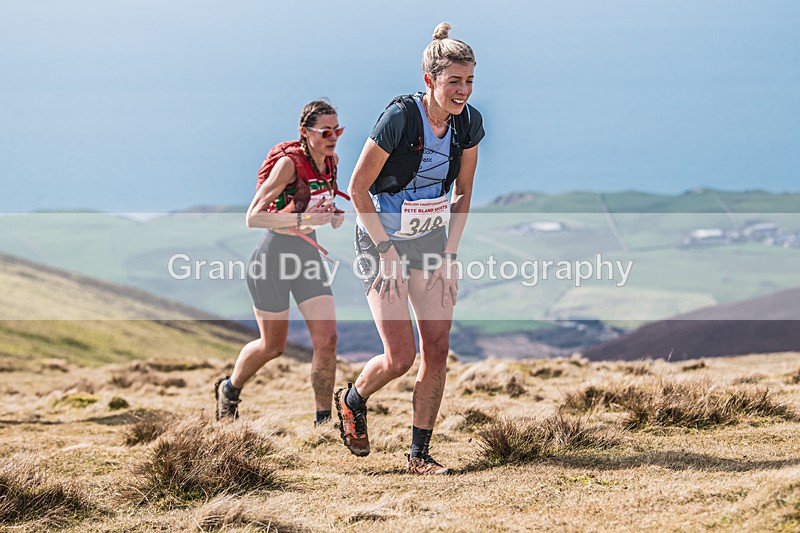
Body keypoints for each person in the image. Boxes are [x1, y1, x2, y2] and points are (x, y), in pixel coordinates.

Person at [335, 23, 485, 474]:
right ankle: (354, 398)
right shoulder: (400, 118)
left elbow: (462, 193)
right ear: (430, 81)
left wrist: (450, 256)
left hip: (430, 240)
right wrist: (386, 251)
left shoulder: (470, 124)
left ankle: (419, 456)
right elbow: (358, 189)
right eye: (453, 81)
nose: (463, 91)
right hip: (380, 238)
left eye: (470, 81)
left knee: (437, 348)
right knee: (401, 357)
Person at [215, 100, 346, 425]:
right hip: (271, 260)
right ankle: (229, 390)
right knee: (273, 346)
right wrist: (307, 218)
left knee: (327, 340)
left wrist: (329, 216)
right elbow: (253, 218)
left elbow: (315, 209)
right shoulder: (288, 164)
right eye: (326, 131)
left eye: (338, 130)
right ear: (305, 132)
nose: (333, 137)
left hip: (307, 256)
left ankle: (323, 422)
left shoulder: (332, 161)